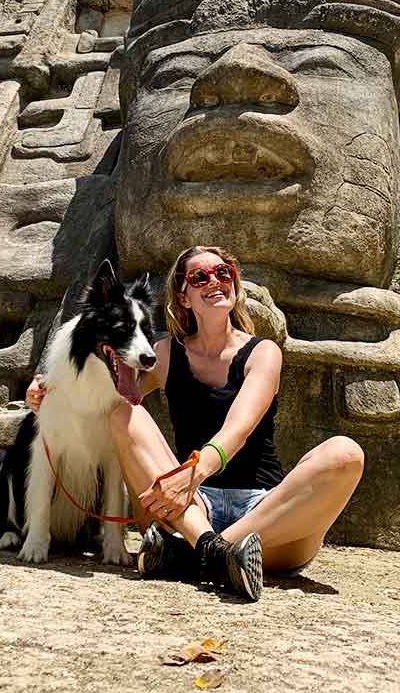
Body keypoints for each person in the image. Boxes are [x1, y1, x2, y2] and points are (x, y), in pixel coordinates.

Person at [26, 244, 364, 601]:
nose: (215, 281)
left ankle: (198, 554)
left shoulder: (263, 352)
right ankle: (217, 555)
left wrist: (192, 474)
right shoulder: (166, 354)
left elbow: (239, 428)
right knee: (123, 411)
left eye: (223, 273)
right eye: (199, 277)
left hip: (264, 517)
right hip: (186, 509)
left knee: (346, 454)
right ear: (183, 297)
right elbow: (99, 386)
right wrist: (47, 384)